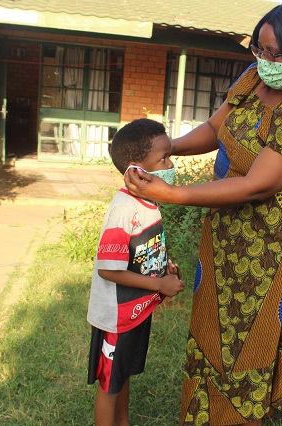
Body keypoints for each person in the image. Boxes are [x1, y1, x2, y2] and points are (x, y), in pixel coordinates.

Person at [125, 2, 282, 424]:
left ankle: (241, 411)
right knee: (213, 310)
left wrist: (172, 193)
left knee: (253, 321)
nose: (264, 61)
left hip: (275, 236)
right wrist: (165, 148)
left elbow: (257, 184)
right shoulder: (252, 80)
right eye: (259, 50)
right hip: (226, 224)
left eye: (275, 53)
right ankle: (207, 405)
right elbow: (214, 130)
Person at [87, 118, 186, 426]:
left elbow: (145, 247)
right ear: (136, 169)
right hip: (116, 318)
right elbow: (109, 269)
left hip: (136, 312)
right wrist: (161, 287)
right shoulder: (123, 210)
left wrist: (163, 266)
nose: (170, 164)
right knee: (109, 385)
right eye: (163, 159)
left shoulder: (149, 202)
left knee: (124, 373)